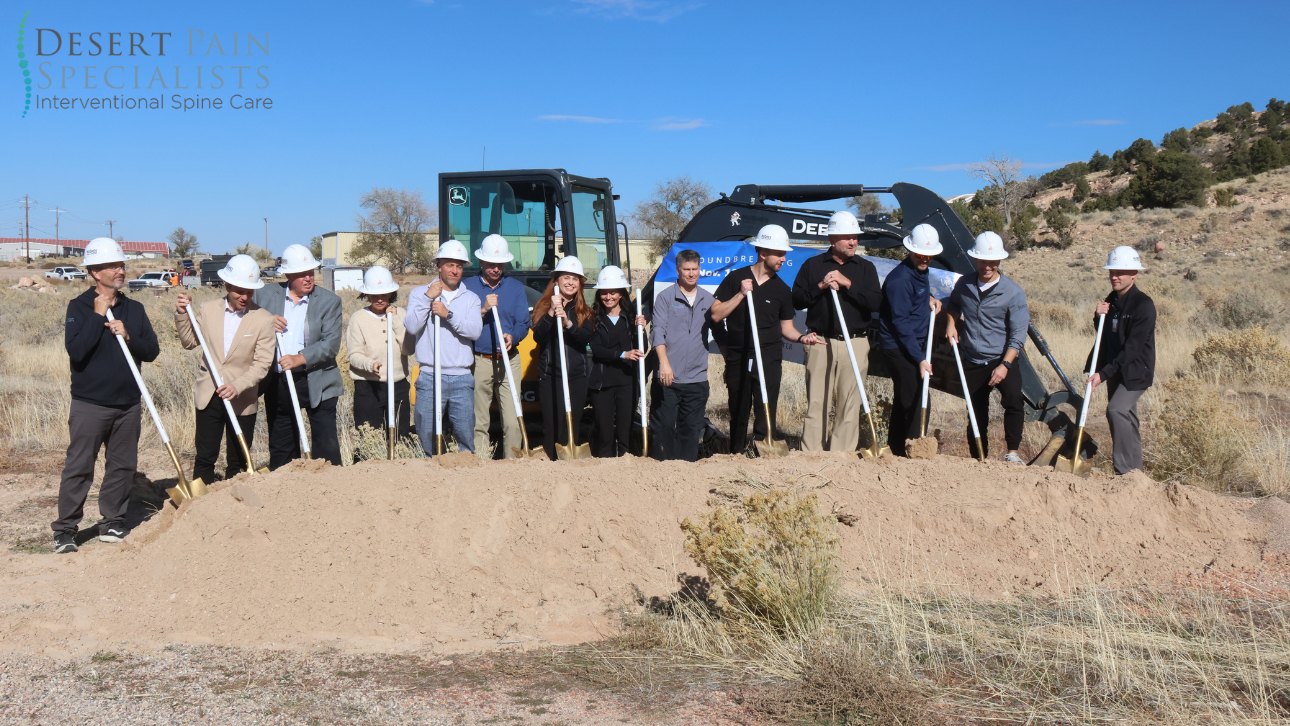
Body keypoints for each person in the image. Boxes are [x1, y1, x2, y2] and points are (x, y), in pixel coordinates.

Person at [52, 238, 159, 553]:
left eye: (121, 264)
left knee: (123, 465)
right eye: (113, 266)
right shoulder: (79, 307)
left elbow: (151, 351)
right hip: (90, 404)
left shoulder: (134, 309)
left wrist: (129, 334)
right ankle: (65, 530)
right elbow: (76, 352)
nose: (120, 270)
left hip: (127, 404)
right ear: (95, 272)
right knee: (80, 466)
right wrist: (98, 316)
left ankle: (112, 520)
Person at [710, 224, 820, 455]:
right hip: (739, 354)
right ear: (763, 253)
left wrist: (802, 337)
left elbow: (786, 328)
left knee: (765, 406)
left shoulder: (781, 289)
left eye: (784, 253)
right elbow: (716, 314)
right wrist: (741, 294)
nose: (783, 258)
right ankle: (736, 453)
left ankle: (762, 450)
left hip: (769, 355)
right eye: (779, 253)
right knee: (738, 407)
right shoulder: (736, 278)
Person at [174, 254, 276, 483]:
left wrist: (237, 386)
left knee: (238, 461)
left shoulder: (263, 319)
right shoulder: (208, 309)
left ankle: (234, 508)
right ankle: (200, 507)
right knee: (205, 457)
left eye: (249, 292)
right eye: (240, 290)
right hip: (208, 392)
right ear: (227, 285)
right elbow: (189, 342)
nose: (245, 297)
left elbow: (262, 364)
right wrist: (182, 314)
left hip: (242, 397)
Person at [791, 210, 882, 452]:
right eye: (847, 237)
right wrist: (821, 286)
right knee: (817, 401)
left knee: (849, 403)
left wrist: (847, 284)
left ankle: (841, 458)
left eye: (856, 237)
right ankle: (812, 454)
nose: (853, 242)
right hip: (820, 342)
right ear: (832, 240)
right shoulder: (813, 265)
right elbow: (797, 299)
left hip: (855, 342)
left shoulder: (865, 268)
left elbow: (875, 303)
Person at [942, 232, 1030, 463]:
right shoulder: (965, 284)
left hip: (1002, 358)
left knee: (1013, 400)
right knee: (975, 412)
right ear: (975, 260)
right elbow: (953, 306)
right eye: (983, 261)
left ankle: (1013, 453)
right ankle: (979, 459)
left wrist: (1004, 365)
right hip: (972, 359)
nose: (987, 266)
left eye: (992, 262)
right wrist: (951, 324)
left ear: (999, 261)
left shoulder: (1013, 292)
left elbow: (1018, 335)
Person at [254, 243, 344, 468]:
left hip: (317, 379)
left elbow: (331, 344)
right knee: (282, 445)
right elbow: (244, 318)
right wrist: (265, 322)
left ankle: (330, 490)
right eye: (301, 274)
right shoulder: (264, 295)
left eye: (310, 272)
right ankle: (287, 491)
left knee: (326, 446)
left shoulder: (329, 301)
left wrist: (299, 358)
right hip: (279, 382)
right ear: (287, 275)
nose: (308, 278)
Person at [406, 240, 483, 455]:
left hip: (461, 376)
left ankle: (466, 473)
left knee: (465, 432)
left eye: (459, 266)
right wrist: (428, 298)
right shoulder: (419, 293)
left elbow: (475, 331)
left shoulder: (471, 298)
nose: (455, 270)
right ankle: (430, 474)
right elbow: (411, 326)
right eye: (450, 265)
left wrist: (448, 314)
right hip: (430, 375)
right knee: (427, 431)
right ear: (439, 265)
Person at [875, 224, 944, 457]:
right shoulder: (900, 279)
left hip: (911, 344)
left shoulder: (919, 271)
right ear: (910, 251)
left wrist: (930, 299)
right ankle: (913, 449)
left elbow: (914, 299)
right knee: (916, 398)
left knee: (907, 397)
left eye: (929, 255)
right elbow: (901, 323)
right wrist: (920, 359)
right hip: (898, 346)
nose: (925, 259)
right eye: (920, 255)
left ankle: (896, 449)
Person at [1087, 246, 1156, 475]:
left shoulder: (1143, 305)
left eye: (1121, 272)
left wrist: (1103, 374)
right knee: (1127, 418)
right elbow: (1106, 334)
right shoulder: (1112, 300)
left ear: (1134, 274)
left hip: (1135, 371)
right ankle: (1136, 475)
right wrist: (1098, 317)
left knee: (1116, 410)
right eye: (1112, 272)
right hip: (1116, 369)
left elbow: (1133, 348)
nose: (1114, 276)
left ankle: (1123, 472)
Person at [463, 234, 532, 458]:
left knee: (512, 420)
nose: (495, 269)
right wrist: (482, 310)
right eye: (491, 264)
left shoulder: (515, 288)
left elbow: (523, 322)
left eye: (499, 264)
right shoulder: (467, 287)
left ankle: (511, 465)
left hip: (509, 360)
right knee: (479, 419)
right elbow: (462, 321)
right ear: (481, 262)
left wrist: (514, 336)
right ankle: (481, 464)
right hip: (479, 360)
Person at [649, 249, 714, 462]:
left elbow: (720, 331)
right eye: (686, 269)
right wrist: (664, 364)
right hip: (669, 378)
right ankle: (662, 469)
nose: (691, 273)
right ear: (678, 270)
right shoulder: (666, 297)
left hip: (696, 379)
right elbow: (657, 331)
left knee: (691, 430)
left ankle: (686, 473)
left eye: (695, 269)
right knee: (664, 426)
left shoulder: (708, 299)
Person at [531, 256, 596, 460]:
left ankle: (569, 465)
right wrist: (551, 312)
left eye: (575, 279)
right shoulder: (542, 307)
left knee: (571, 423)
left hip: (576, 376)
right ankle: (551, 464)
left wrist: (568, 323)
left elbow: (586, 337)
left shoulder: (584, 311)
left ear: (580, 284)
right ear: (556, 281)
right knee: (551, 425)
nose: (570, 282)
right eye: (566, 277)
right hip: (551, 375)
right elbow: (539, 336)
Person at [345, 266, 414, 443]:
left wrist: (397, 321)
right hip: (368, 388)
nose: (380, 299)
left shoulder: (402, 315)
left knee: (400, 437)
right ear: (367, 295)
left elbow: (409, 349)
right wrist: (370, 365)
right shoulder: (358, 318)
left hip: (398, 385)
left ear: (391, 293)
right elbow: (353, 354)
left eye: (384, 294)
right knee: (369, 439)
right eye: (375, 294)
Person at [588, 266, 647, 457]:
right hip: (602, 383)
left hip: (626, 382)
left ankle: (625, 471)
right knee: (604, 433)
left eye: (613, 292)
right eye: (604, 293)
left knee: (625, 431)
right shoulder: (594, 318)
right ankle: (605, 471)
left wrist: (642, 330)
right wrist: (622, 354)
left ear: (621, 294)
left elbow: (641, 348)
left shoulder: (631, 318)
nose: (608, 297)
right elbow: (597, 350)